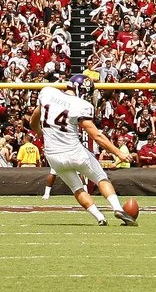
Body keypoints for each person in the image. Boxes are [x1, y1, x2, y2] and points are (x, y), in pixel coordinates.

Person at [33, 72, 135, 225]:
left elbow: (34, 117)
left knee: (77, 188)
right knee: (101, 178)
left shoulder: (48, 92)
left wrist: (39, 131)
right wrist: (118, 152)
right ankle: (117, 208)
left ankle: (100, 218)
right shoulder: (80, 105)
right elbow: (96, 136)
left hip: (53, 156)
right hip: (75, 152)